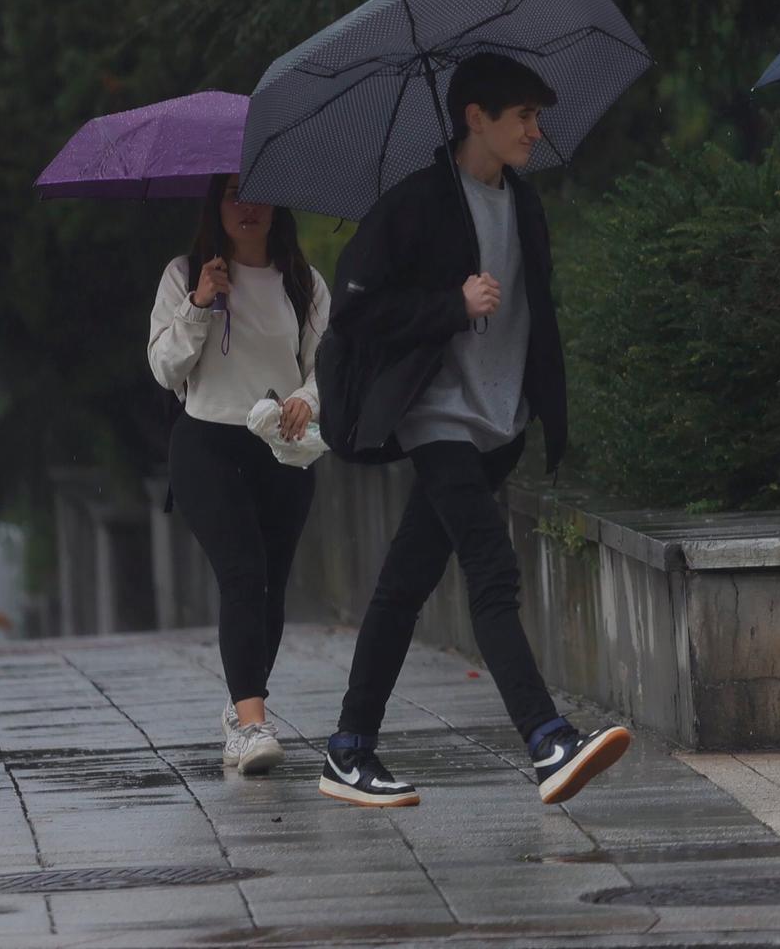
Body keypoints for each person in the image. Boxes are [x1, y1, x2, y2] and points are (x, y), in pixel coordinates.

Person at [318, 52, 628, 809]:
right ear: (475, 118)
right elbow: (355, 310)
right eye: (521, 113)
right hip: (438, 417)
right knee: (492, 569)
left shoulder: (522, 202)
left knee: (405, 584)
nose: (535, 128)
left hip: (498, 421)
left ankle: (349, 746)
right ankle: (546, 737)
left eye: (536, 114)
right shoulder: (416, 204)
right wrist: (448, 305)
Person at [149, 175, 330, 775]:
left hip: (280, 447)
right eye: (232, 195)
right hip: (206, 443)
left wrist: (307, 398)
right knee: (242, 572)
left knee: (271, 585)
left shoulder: (304, 283)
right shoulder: (185, 273)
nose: (247, 206)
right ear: (215, 206)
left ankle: (240, 705)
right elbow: (165, 368)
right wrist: (200, 303)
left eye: (257, 191)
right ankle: (252, 725)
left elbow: (325, 367)